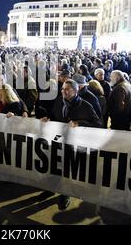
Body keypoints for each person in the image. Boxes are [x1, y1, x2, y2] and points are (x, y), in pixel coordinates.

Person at [40, 79, 101, 211]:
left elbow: (98, 125)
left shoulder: (85, 106)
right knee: (54, 166)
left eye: (67, 89)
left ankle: (65, 194)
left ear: (76, 90)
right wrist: (47, 117)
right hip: (57, 141)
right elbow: (53, 115)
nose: (63, 91)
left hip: (74, 145)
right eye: (62, 89)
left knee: (67, 170)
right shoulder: (58, 101)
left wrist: (80, 123)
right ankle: (51, 189)